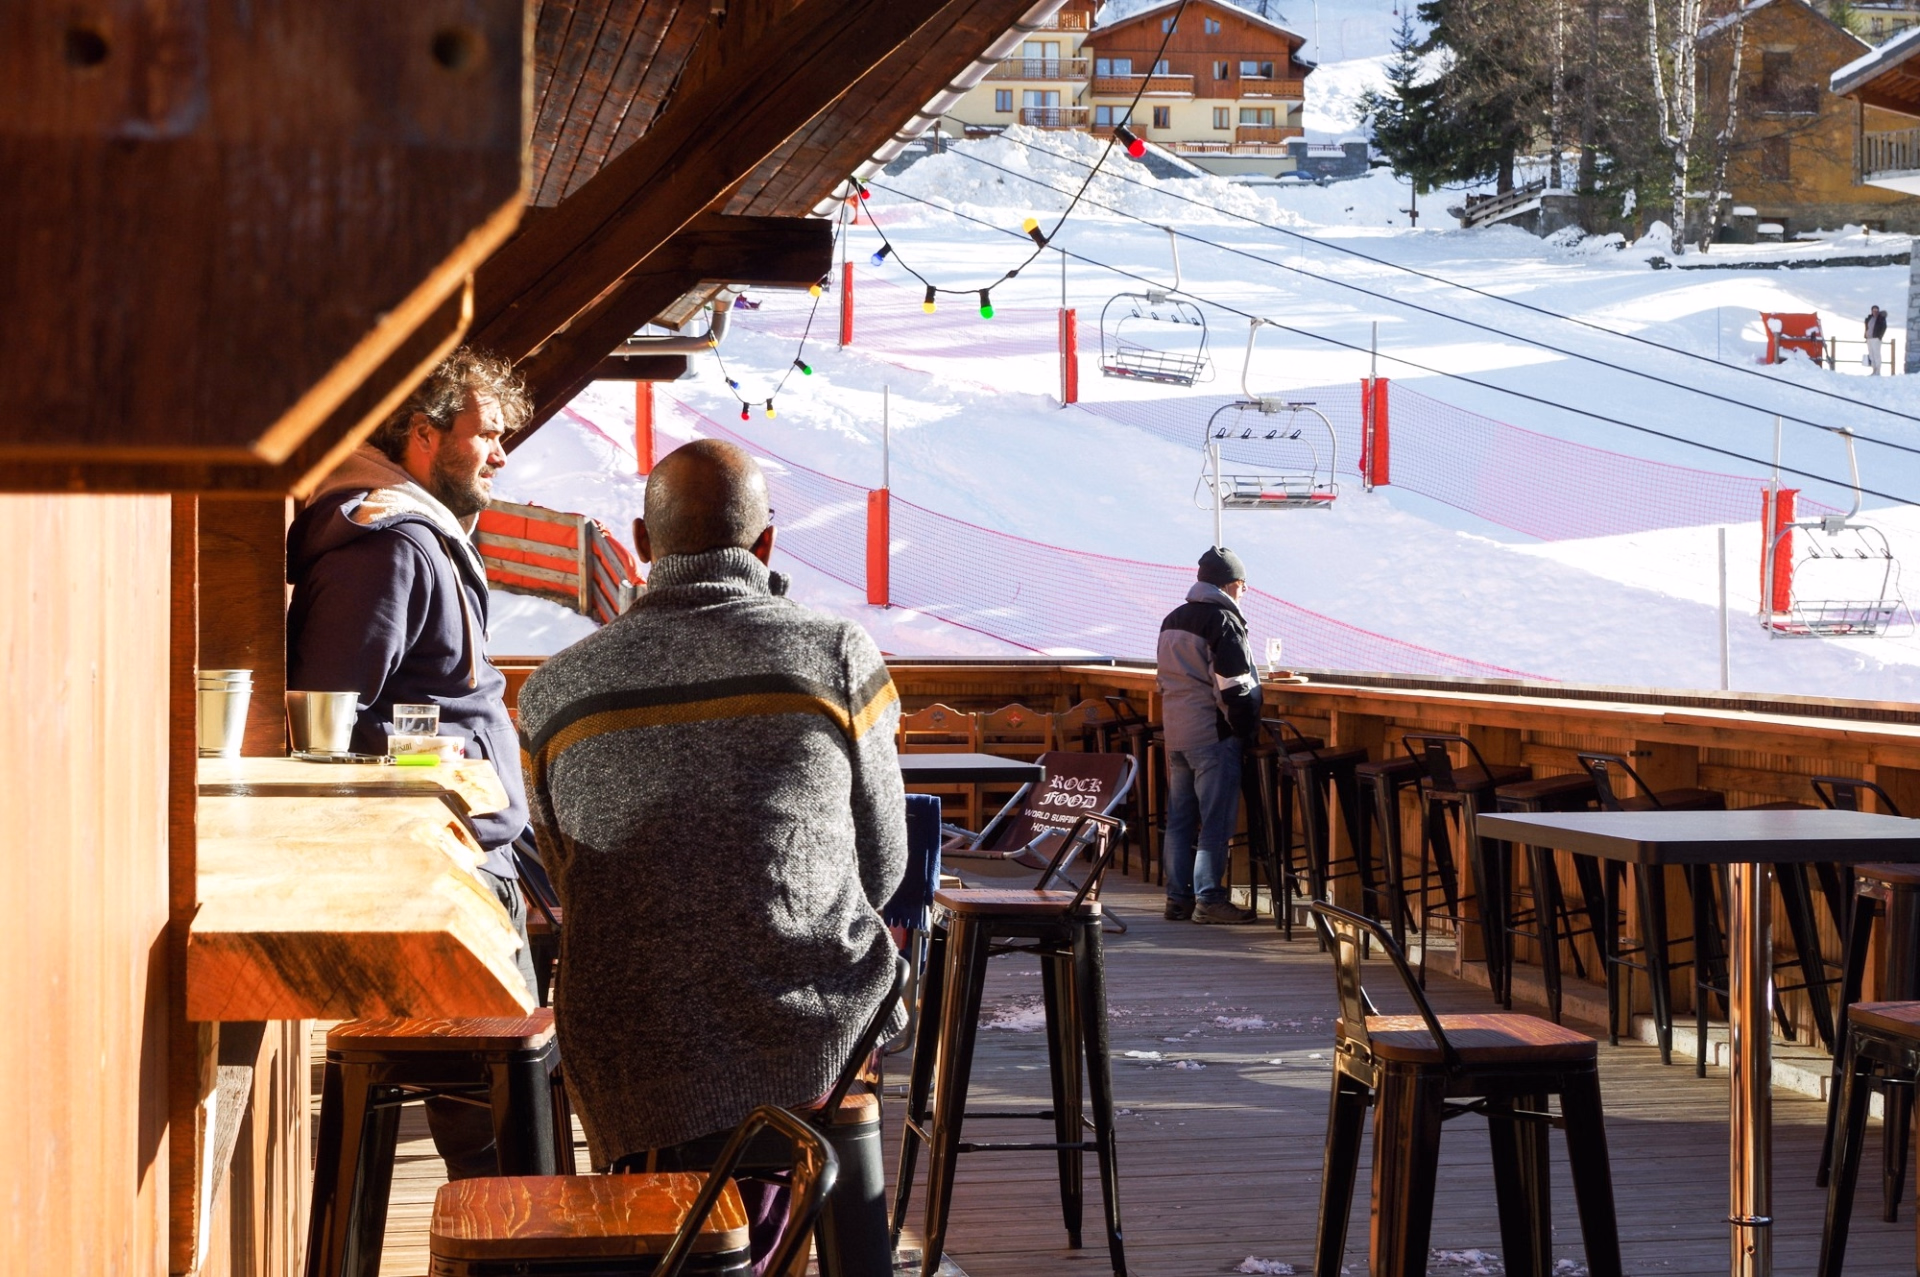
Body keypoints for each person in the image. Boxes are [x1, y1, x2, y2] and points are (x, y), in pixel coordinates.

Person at [515, 438, 906, 1180]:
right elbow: (883, 867)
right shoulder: (836, 653)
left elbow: (572, 884)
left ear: (640, 542)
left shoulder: (550, 692)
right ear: (766, 542)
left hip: (630, 1043)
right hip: (807, 1030)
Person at [285, 346, 539, 1177]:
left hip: (467, 860)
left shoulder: (412, 534)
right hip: (441, 875)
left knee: (505, 1120)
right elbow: (326, 720)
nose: (501, 454)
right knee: (496, 1137)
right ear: (425, 436)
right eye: (487, 434)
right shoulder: (384, 545)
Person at [1156, 545, 1262, 925]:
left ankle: (1177, 898)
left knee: (1181, 819)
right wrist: (1244, 729)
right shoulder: (1222, 621)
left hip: (1178, 733)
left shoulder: (1173, 619)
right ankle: (1209, 899)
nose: (1245, 592)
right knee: (1215, 821)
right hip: (1212, 735)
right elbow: (1234, 687)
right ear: (1233, 584)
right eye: (1244, 585)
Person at [1866, 305, 1888, 375]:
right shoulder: (1869, 318)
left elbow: (1884, 327)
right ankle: (1874, 369)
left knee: (1876, 354)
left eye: (1876, 310)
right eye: (1873, 310)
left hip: (1876, 339)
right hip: (1869, 338)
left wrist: (1879, 336)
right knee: (1871, 354)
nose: (1875, 312)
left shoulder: (1880, 318)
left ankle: (1878, 370)